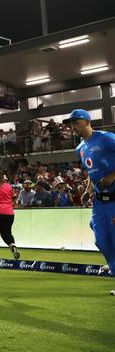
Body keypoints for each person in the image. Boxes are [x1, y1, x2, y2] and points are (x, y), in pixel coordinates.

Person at [64, 109, 115, 296]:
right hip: (100, 202)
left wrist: (112, 175)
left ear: (87, 121)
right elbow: (91, 174)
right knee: (101, 240)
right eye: (70, 124)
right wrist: (88, 190)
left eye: (76, 122)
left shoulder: (106, 138)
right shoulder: (80, 148)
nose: (72, 127)